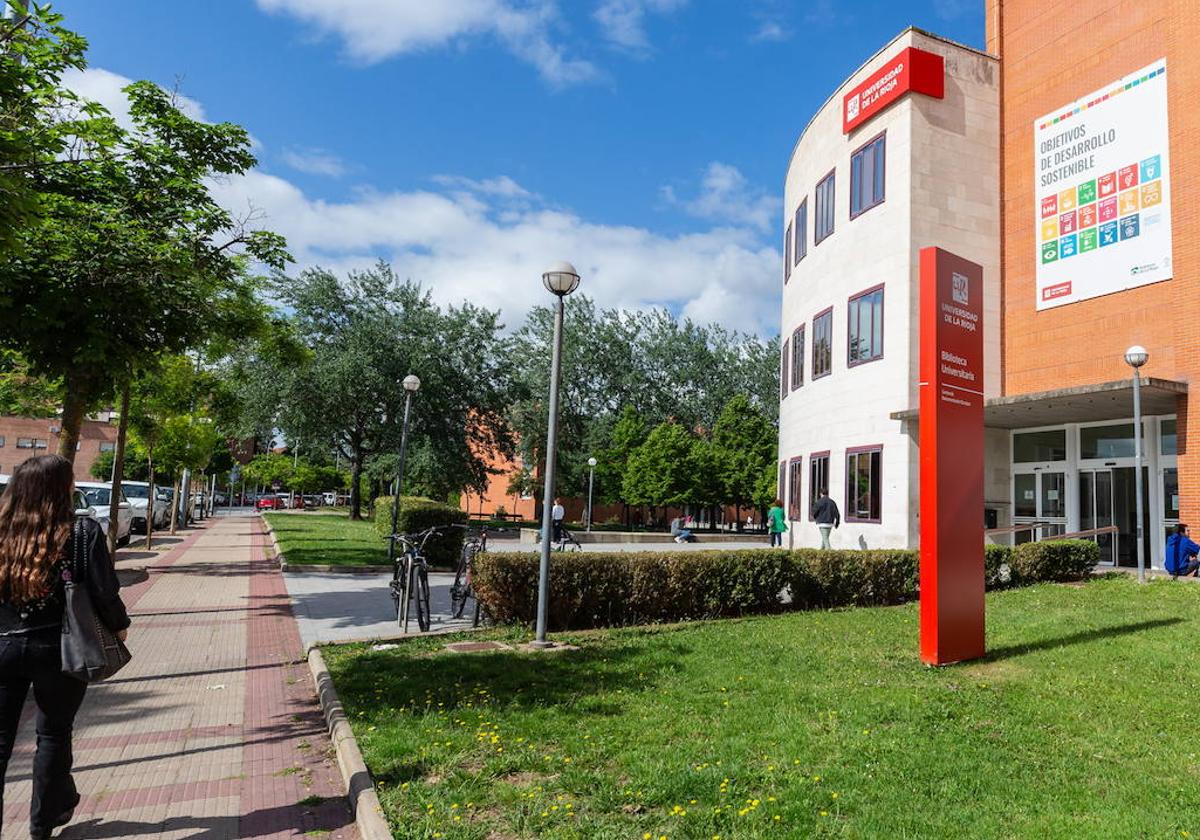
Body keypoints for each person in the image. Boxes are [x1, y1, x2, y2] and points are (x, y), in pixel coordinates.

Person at [0, 455, 130, 839]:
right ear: (60, 488)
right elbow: (104, 590)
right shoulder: (81, 532)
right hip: (60, 648)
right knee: (53, 734)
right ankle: (41, 828)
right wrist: (119, 627)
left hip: (3, 647)